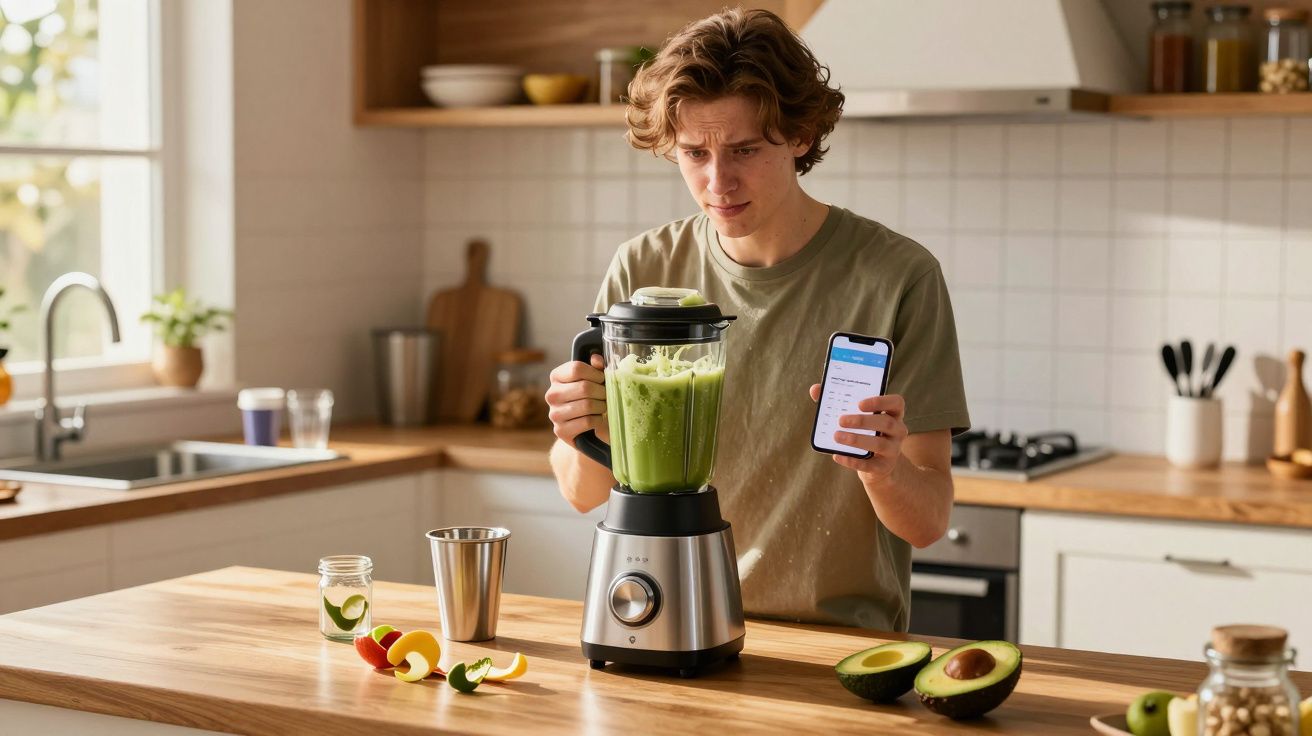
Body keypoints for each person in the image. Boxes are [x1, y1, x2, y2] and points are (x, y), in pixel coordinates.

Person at [544, 8, 970, 631]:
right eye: (694, 153)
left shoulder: (897, 275)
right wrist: (578, 429)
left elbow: (929, 521)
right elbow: (580, 492)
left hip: (833, 648)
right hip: (672, 623)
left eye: (744, 149)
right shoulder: (644, 269)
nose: (719, 181)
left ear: (799, 135)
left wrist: (884, 469)